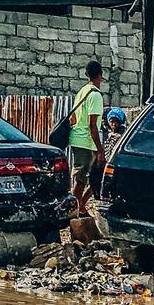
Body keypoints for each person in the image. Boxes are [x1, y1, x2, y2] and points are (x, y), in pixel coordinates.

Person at [69, 60, 104, 218]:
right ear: (100, 76)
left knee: (92, 177)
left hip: (78, 139)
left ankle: (81, 207)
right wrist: (100, 149)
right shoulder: (95, 95)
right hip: (86, 141)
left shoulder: (82, 92)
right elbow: (92, 125)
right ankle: (73, 213)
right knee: (81, 181)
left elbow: (73, 119)